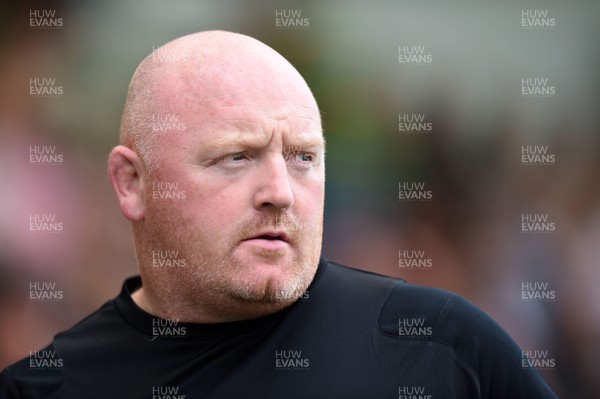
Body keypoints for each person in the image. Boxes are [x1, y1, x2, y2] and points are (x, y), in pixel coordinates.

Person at [0, 30, 558, 399]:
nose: (280, 192)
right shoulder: (46, 388)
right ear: (133, 183)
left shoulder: (442, 349)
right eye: (236, 156)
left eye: (303, 158)